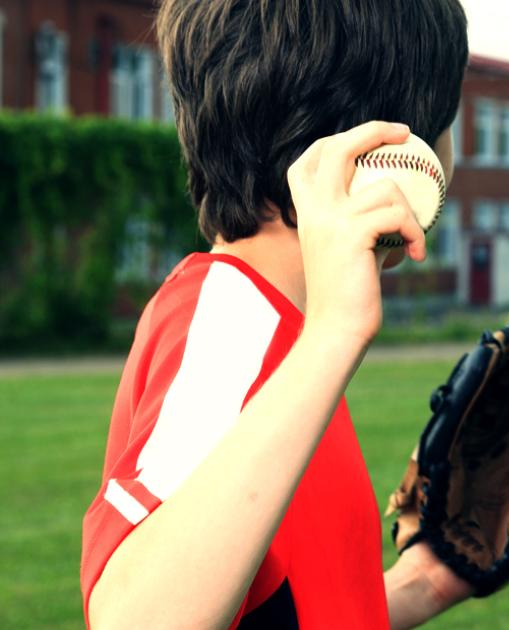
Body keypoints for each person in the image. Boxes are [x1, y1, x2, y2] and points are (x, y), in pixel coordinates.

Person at [80, 1, 472, 627]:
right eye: (450, 121)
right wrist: (334, 336)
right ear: (387, 155)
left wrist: (422, 585)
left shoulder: (286, 344)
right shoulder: (233, 322)